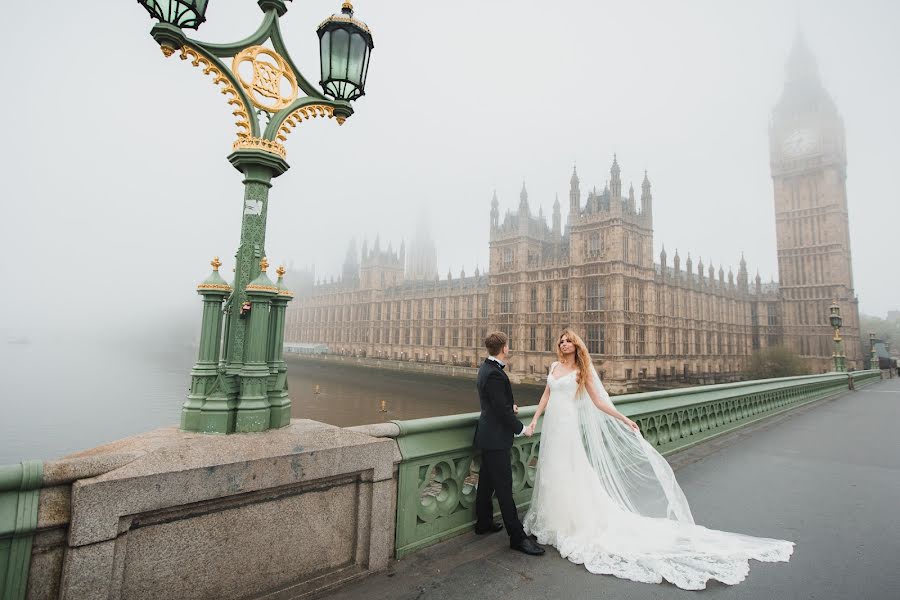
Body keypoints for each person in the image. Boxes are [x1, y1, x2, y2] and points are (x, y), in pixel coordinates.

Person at [521, 328, 793, 590]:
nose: (564, 344)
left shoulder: (581, 372)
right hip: (552, 426)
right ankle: (553, 520)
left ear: (576, 346)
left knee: (571, 472)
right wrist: (533, 421)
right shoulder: (554, 368)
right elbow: (546, 394)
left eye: (568, 341)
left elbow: (599, 403)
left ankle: (572, 523)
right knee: (552, 472)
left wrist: (623, 418)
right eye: (561, 341)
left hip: (567, 425)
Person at [474, 331, 545, 556]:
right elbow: (500, 409)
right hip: (496, 438)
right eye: (508, 346)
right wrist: (521, 428)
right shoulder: (495, 374)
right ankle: (517, 538)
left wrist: (509, 405)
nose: (509, 349)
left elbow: (496, 403)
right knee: (504, 490)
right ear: (504, 348)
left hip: (487, 434)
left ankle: (483, 523)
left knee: (486, 482)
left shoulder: (486, 368)